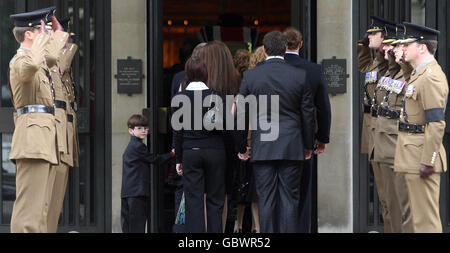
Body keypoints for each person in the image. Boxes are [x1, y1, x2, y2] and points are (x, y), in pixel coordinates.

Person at [236, 31, 314, 233]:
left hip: (263, 144)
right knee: (290, 199)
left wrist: (243, 145)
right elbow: (307, 114)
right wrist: (307, 144)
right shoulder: (299, 75)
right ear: (285, 50)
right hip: (291, 144)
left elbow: (242, 112)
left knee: (266, 199)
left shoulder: (251, 75)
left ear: (264, 50)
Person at [8, 7, 70, 233]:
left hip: (43, 141)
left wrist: (58, 35)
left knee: (42, 211)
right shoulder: (20, 60)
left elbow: (53, 58)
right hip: (32, 141)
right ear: (29, 34)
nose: (45, 33)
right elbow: (32, 66)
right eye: (40, 30)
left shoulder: (38, 62)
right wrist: (45, 39)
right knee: (29, 212)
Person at [394, 22, 448, 233]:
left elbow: (436, 123)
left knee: (425, 222)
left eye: (407, 44)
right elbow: (411, 83)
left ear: (422, 47)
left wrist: (428, 161)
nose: (402, 48)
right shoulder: (420, 73)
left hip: (421, 156)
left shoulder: (431, 77)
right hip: (411, 154)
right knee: (416, 220)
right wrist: (402, 62)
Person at [283, 27, 332, 233]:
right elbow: (323, 107)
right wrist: (322, 138)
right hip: (303, 139)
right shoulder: (312, 70)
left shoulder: (270, 68)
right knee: (302, 193)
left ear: (282, 45)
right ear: (300, 45)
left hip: (272, 139)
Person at [172, 57, 228, 233]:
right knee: (215, 200)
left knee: (193, 200)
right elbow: (226, 126)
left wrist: (178, 159)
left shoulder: (180, 98)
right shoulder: (216, 96)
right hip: (215, 151)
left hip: (190, 151)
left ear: (187, 74)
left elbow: (177, 131)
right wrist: (240, 148)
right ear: (206, 74)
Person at [195, 41, 242, 232]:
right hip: (226, 145)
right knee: (221, 195)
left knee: (202, 195)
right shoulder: (236, 82)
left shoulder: (195, 83)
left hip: (199, 145)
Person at [370, 23, 412, 233]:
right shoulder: (389, 72)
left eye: (394, 46)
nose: (389, 50)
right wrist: (381, 58)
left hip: (395, 144)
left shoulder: (410, 75)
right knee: (388, 205)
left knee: (400, 208)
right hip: (382, 142)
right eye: (387, 46)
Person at [357, 15, 392, 232]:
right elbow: (363, 66)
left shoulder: (390, 62)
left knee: (390, 195)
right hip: (373, 129)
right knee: (383, 194)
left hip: (385, 131)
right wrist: (363, 44)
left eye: (374, 33)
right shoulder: (375, 62)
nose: (369, 36)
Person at [46, 16, 78, 233]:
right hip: (53, 134)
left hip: (64, 131)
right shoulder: (46, 58)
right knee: (47, 198)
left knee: (57, 196)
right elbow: (61, 64)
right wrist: (63, 43)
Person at [121, 114, 174, 233]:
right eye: (139, 128)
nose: (144, 131)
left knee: (128, 226)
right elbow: (155, 159)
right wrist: (171, 154)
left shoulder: (131, 146)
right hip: (137, 192)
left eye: (145, 128)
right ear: (131, 130)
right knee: (137, 226)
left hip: (127, 192)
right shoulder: (138, 146)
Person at [232, 49, 260, 234]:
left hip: (240, 138)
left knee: (241, 185)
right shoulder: (255, 82)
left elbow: (233, 117)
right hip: (254, 138)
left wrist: (241, 144)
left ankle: (238, 224)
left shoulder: (235, 84)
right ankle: (257, 227)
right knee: (254, 188)